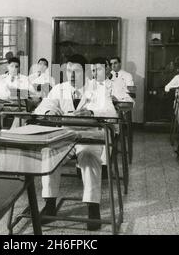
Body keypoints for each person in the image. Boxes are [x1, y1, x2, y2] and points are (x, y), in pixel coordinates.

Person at [34, 54, 117, 231]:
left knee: (88, 155)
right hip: (64, 136)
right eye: (69, 71)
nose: (72, 75)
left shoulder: (98, 89)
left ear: (85, 72)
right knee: (49, 154)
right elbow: (42, 107)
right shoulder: (59, 89)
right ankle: (50, 204)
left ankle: (92, 207)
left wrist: (93, 113)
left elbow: (111, 111)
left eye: (77, 71)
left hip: (89, 135)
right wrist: (49, 112)